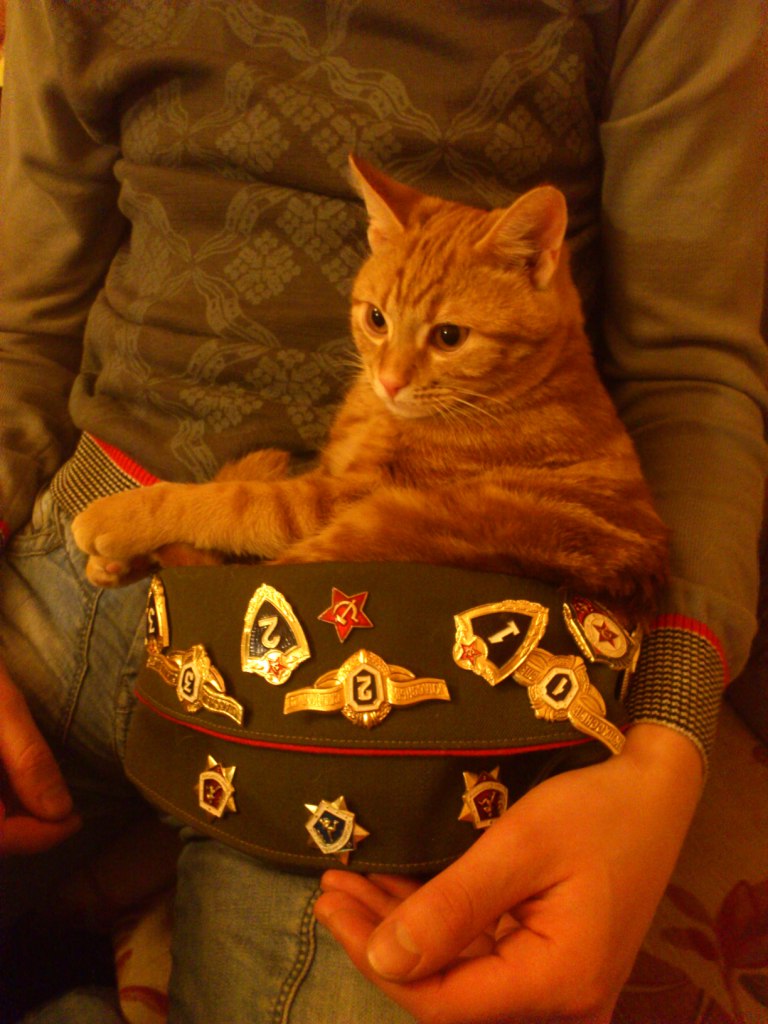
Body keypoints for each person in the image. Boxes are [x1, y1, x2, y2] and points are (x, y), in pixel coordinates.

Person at [0, 1, 765, 1021]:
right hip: (83, 539)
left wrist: (665, 747)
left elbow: (691, 372)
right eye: (376, 331)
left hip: (395, 655)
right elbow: (18, 325)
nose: (394, 375)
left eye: (434, 343)